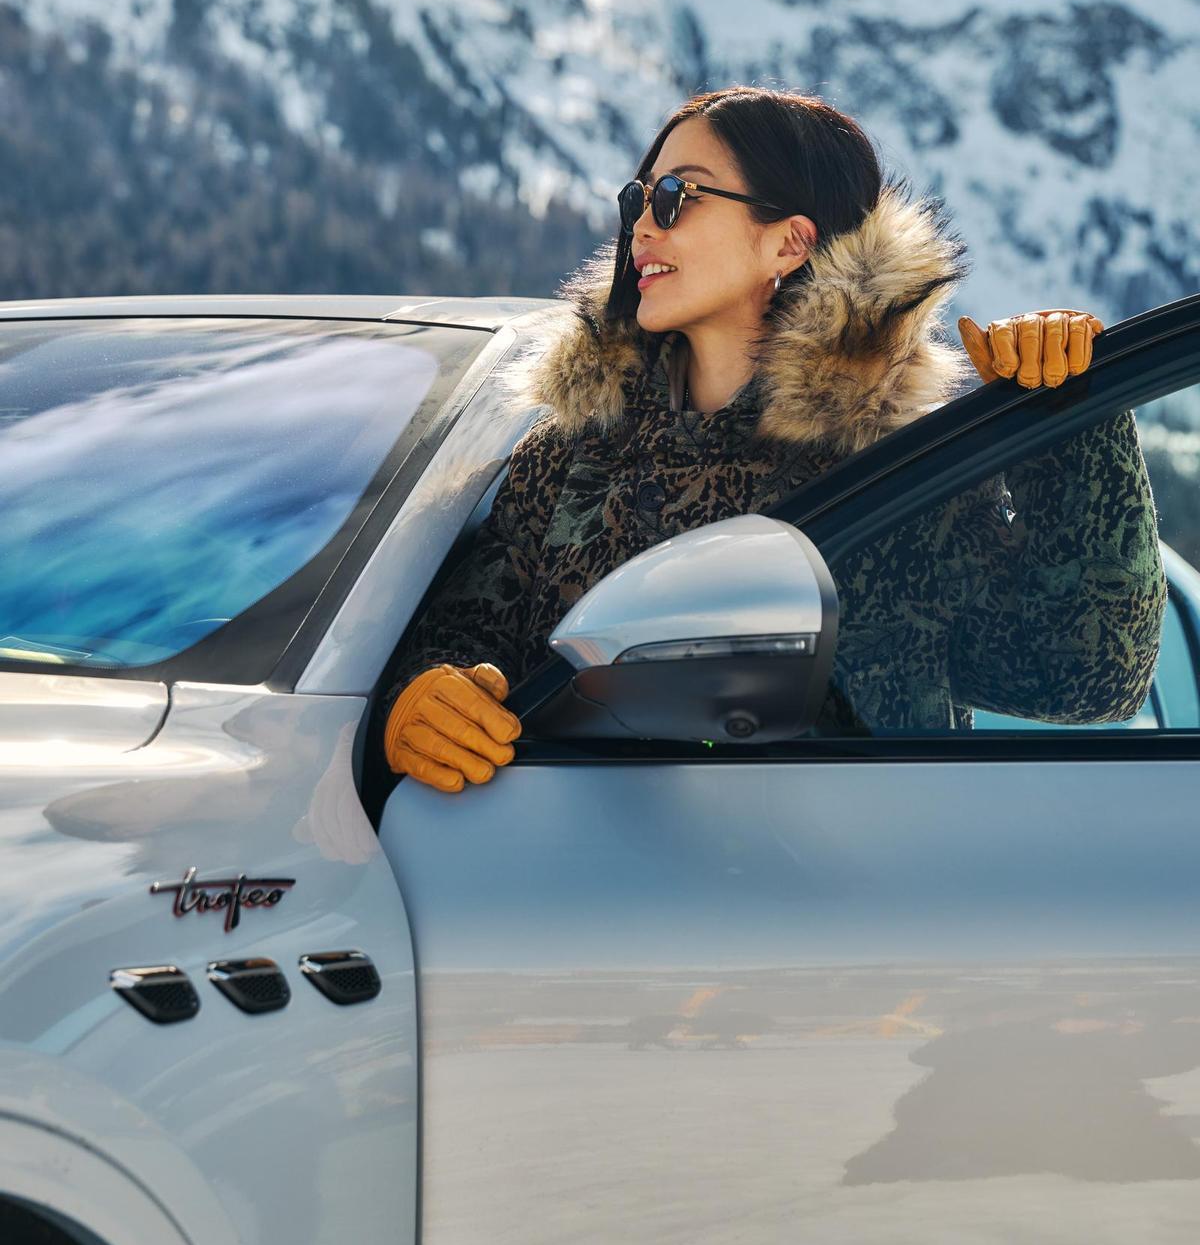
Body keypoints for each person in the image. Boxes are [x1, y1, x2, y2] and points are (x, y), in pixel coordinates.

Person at [379, 86, 1167, 792]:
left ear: (788, 243)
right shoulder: (570, 454)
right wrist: (421, 699)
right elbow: (462, 634)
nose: (642, 227)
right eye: (637, 200)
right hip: (585, 911)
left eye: (676, 196)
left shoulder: (898, 474)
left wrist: (1074, 420)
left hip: (824, 919)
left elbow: (1088, 673)